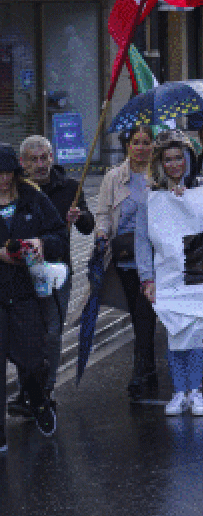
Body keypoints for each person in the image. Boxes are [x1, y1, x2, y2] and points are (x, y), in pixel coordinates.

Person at [7, 136, 93, 418]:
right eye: (33, 159)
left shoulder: (69, 187)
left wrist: (78, 217)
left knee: (52, 331)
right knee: (25, 334)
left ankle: (46, 389)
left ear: (52, 158)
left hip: (55, 272)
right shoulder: (18, 192)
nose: (40, 164)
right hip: (21, 274)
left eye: (44, 158)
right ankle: (27, 390)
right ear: (23, 163)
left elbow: (88, 226)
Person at [134, 132, 203, 417]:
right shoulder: (150, 197)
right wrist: (147, 279)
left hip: (198, 272)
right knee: (175, 332)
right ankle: (179, 391)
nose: (175, 164)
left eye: (180, 158)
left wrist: (189, 199)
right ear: (160, 163)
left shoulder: (202, 187)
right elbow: (143, 241)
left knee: (197, 333)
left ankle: (196, 390)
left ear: (188, 160)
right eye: (169, 159)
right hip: (167, 276)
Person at [0, 143, 67, 448]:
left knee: (31, 362)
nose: (3, 180)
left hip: (27, 292)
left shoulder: (32, 198)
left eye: (7, 173)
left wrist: (41, 243)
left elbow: (60, 236)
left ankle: (38, 399)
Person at [95, 125, 160, 400]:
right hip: (123, 256)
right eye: (136, 142)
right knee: (138, 313)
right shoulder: (113, 178)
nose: (141, 147)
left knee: (145, 310)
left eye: (146, 142)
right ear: (127, 146)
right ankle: (149, 365)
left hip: (152, 256)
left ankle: (138, 370)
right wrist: (101, 233)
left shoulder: (157, 175)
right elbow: (103, 213)